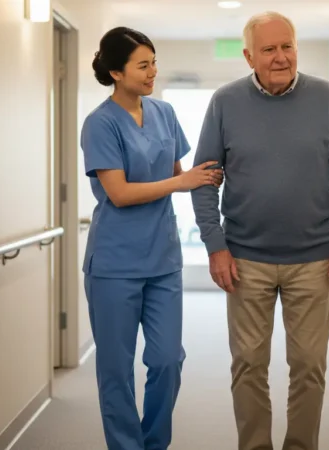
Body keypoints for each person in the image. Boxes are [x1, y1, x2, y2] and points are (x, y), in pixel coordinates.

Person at [190, 11, 329, 450]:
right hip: (244, 259)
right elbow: (205, 178)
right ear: (249, 56)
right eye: (269, 49)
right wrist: (215, 245)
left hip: (312, 260)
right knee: (248, 365)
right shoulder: (225, 102)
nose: (280, 57)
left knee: (309, 366)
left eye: (287, 46)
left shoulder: (326, 98)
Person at [80, 27, 223, 450]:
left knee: (167, 361)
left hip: (162, 260)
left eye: (154, 62)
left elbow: (180, 174)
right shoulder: (100, 124)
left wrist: (200, 179)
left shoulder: (165, 113)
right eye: (143, 65)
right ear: (115, 73)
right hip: (114, 265)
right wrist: (181, 182)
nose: (152, 72)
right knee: (116, 371)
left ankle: (154, 442)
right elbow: (120, 193)